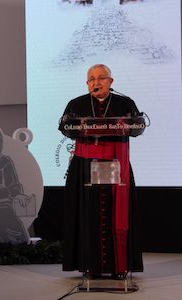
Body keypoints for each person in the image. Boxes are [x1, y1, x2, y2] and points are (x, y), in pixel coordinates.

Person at [61, 64, 144, 277]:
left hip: (117, 164)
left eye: (101, 78)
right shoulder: (76, 103)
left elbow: (137, 127)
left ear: (111, 81)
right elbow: (64, 127)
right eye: (91, 79)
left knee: (117, 214)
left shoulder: (124, 102)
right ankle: (90, 266)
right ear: (87, 83)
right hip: (84, 166)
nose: (96, 83)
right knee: (86, 214)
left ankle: (120, 267)